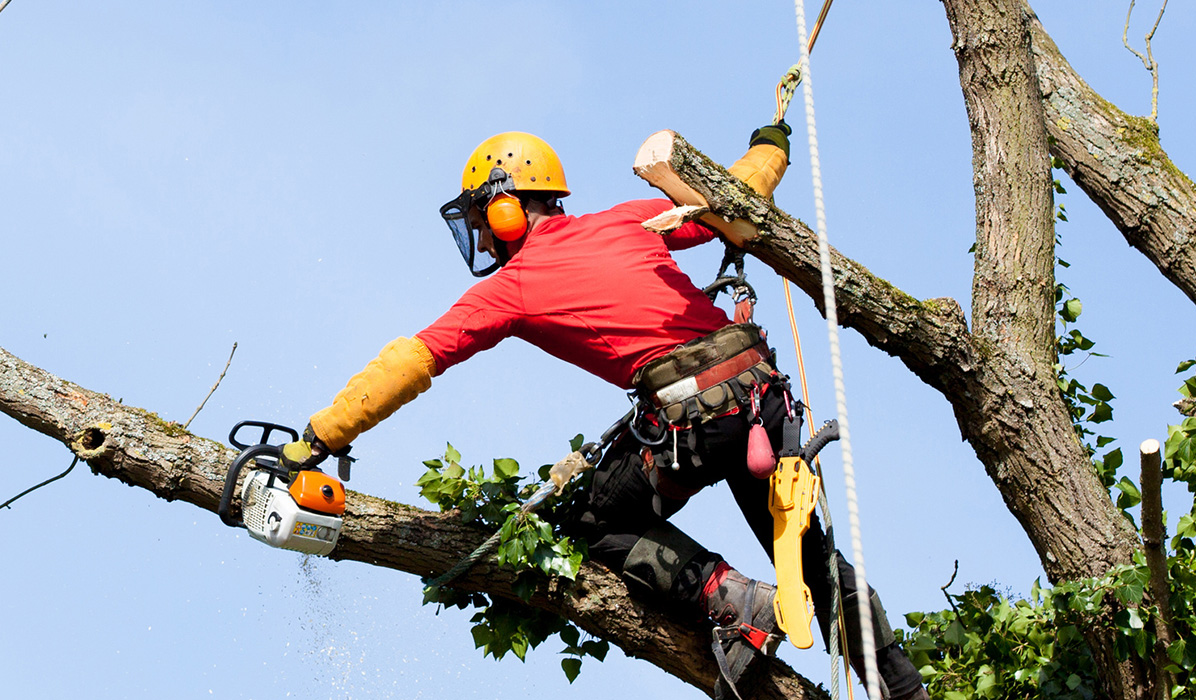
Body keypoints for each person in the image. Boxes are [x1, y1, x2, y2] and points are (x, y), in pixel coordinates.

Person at [281, 129, 929, 699]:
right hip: (759, 401)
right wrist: (770, 147)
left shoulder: (512, 286)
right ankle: (904, 691)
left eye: (480, 221)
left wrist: (320, 436)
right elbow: (733, 197)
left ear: (505, 206)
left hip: (694, 418)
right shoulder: (628, 220)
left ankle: (731, 599)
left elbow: (413, 360)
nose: (480, 237)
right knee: (812, 561)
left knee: (592, 523)